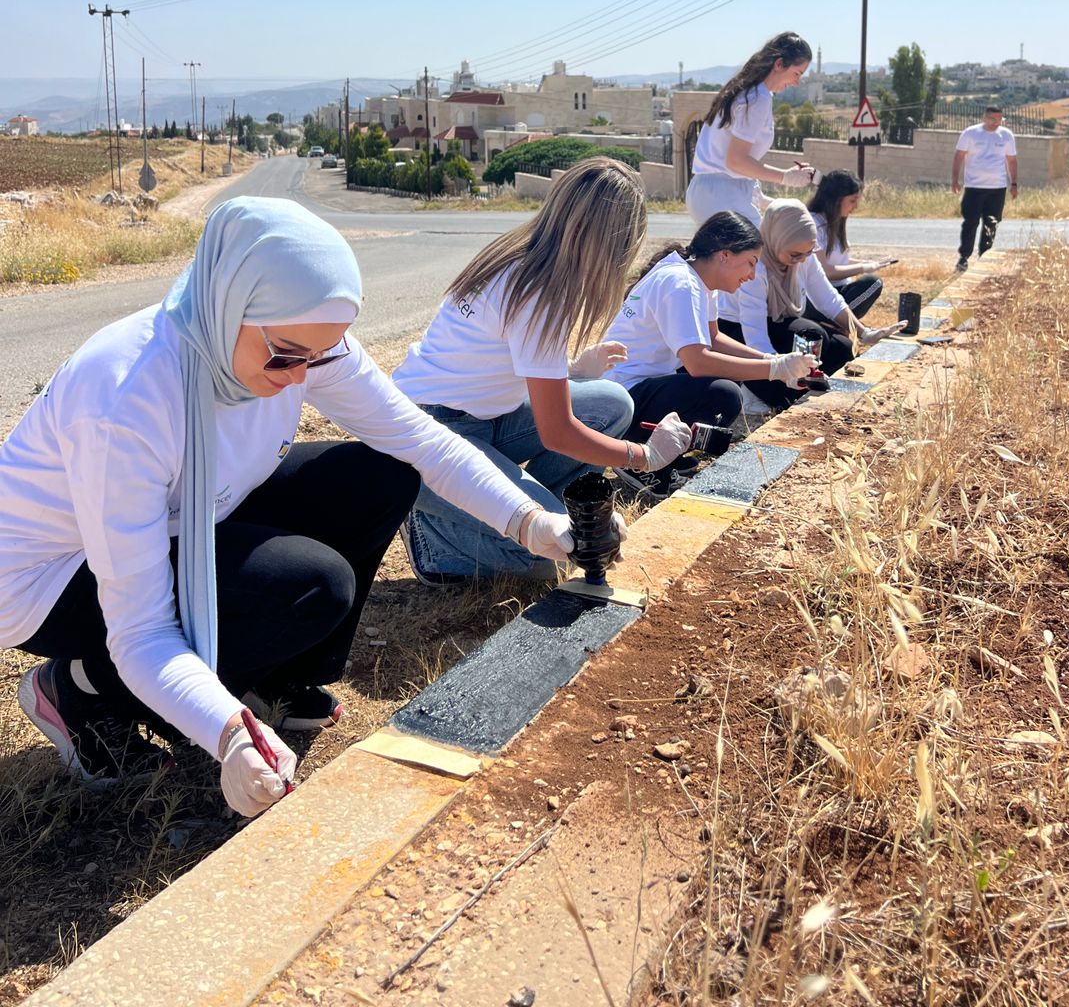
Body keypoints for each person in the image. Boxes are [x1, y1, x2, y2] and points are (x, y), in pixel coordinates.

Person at [2, 197, 580, 814]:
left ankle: (270, 674)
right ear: (230, 302)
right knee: (312, 586)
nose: (301, 375)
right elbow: (142, 630)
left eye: (320, 355)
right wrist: (227, 733)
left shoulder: (289, 339)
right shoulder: (125, 398)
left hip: (190, 512)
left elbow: (422, 442)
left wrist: (530, 521)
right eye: (286, 354)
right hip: (50, 576)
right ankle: (78, 689)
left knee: (378, 475)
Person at [394, 157, 691, 581]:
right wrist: (646, 456)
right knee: (555, 556)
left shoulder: (524, 258)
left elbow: (498, 356)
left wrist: (571, 368)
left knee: (611, 403)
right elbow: (558, 432)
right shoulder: (540, 291)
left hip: (479, 416)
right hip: (430, 438)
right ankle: (435, 542)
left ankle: (524, 509)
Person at [602, 211, 820, 493]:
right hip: (622, 399)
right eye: (751, 263)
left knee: (721, 389)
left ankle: (663, 452)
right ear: (724, 255)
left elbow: (714, 339)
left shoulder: (697, 280)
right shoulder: (681, 283)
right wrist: (776, 370)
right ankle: (636, 455)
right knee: (722, 395)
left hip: (634, 389)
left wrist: (774, 361)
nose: (752, 275)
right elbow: (698, 362)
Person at [719, 200, 904, 406]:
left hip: (776, 322)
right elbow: (755, 335)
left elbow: (828, 298)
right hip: (738, 331)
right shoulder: (756, 267)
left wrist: (864, 332)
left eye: (808, 252)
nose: (801, 260)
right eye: (795, 254)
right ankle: (752, 390)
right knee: (809, 338)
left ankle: (800, 386)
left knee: (842, 348)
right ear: (775, 240)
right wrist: (778, 369)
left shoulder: (804, 255)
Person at [686, 32, 817, 227]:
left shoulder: (749, 92)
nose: (797, 82)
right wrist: (786, 178)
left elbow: (734, 163)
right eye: (797, 73)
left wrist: (768, 195)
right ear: (779, 64)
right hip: (723, 194)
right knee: (766, 246)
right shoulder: (758, 98)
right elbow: (736, 161)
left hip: (712, 192)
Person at [806, 168, 895, 319]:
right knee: (873, 282)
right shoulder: (812, 223)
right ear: (835, 199)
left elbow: (841, 260)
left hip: (840, 289)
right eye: (852, 201)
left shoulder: (835, 222)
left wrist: (868, 263)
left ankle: (838, 321)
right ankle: (837, 320)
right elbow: (826, 271)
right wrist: (863, 268)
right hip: (818, 296)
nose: (856, 206)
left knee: (873, 284)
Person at [951, 105, 1018, 272]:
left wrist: (1014, 184)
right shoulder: (970, 133)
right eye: (992, 119)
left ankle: (984, 256)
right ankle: (964, 257)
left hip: (997, 188)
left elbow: (1011, 160)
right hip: (974, 187)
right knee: (971, 222)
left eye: (999, 119)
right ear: (984, 118)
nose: (996, 122)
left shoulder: (1006, 135)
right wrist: (955, 179)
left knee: (991, 223)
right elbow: (959, 156)